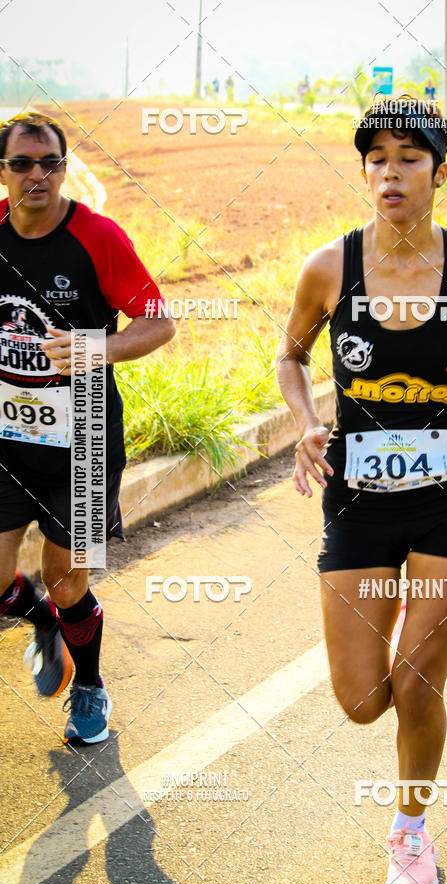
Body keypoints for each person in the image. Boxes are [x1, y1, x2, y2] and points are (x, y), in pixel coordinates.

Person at [276, 95, 447, 884]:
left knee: (418, 680)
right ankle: (406, 760)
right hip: (355, 505)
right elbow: (290, 356)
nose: (391, 172)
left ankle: (410, 829)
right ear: (363, 170)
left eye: (409, 158)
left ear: (439, 172)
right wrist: (307, 419)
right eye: (377, 158)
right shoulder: (328, 267)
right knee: (362, 700)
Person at [0, 112, 175, 744]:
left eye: (50, 162)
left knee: (69, 577)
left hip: (86, 439)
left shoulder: (98, 238)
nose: (37, 175)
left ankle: (90, 688)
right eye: (22, 163)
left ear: (64, 168)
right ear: (3, 172)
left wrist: (97, 347)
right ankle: (43, 623)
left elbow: (159, 321)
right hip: (6, 439)